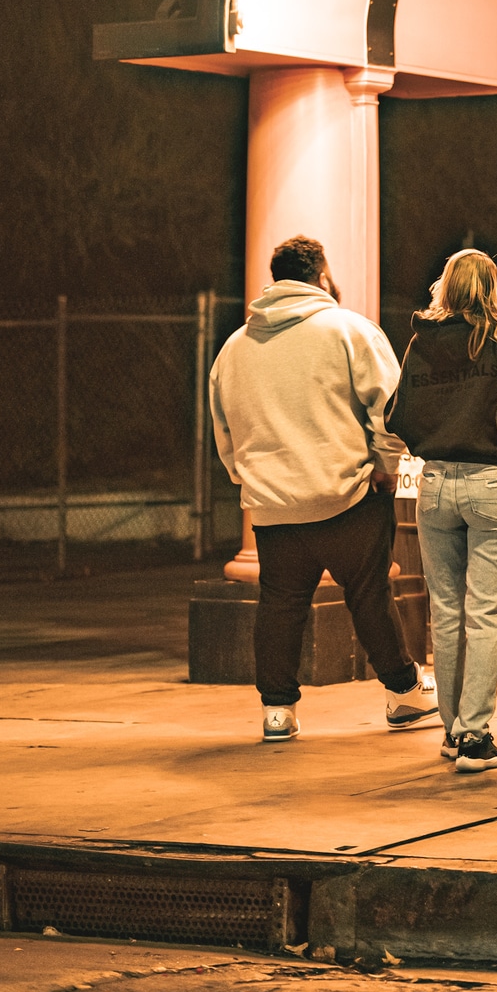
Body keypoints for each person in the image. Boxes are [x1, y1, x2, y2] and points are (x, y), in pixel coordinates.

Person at [208, 233, 436, 744]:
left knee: (281, 603)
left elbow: (224, 428)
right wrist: (386, 462)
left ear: (275, 279)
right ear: (322, 275)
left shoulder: (234, 347)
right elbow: (391, 408)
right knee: (369, 595)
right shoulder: (350, 330)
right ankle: (403, 694)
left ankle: (277, 711)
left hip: (273, 507)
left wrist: (248, 480)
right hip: (347, 494)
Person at [391, 249, 497, 775]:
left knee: (445, 612)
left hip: (437, 484)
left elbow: (399, 414)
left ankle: (450, 730)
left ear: (444, 285)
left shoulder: (423, 339)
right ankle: (474, 736)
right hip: (495, 485)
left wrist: (436, 441)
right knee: (486, 611)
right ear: (493, 286)